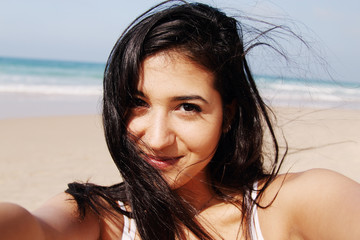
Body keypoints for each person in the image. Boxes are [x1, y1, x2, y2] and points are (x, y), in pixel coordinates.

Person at [1, 1, 359, 239]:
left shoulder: (294, 203)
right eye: (137, 102)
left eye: (187, 107)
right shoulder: (100, 218)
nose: (156, 139)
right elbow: (30, 227)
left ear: (228, 114)